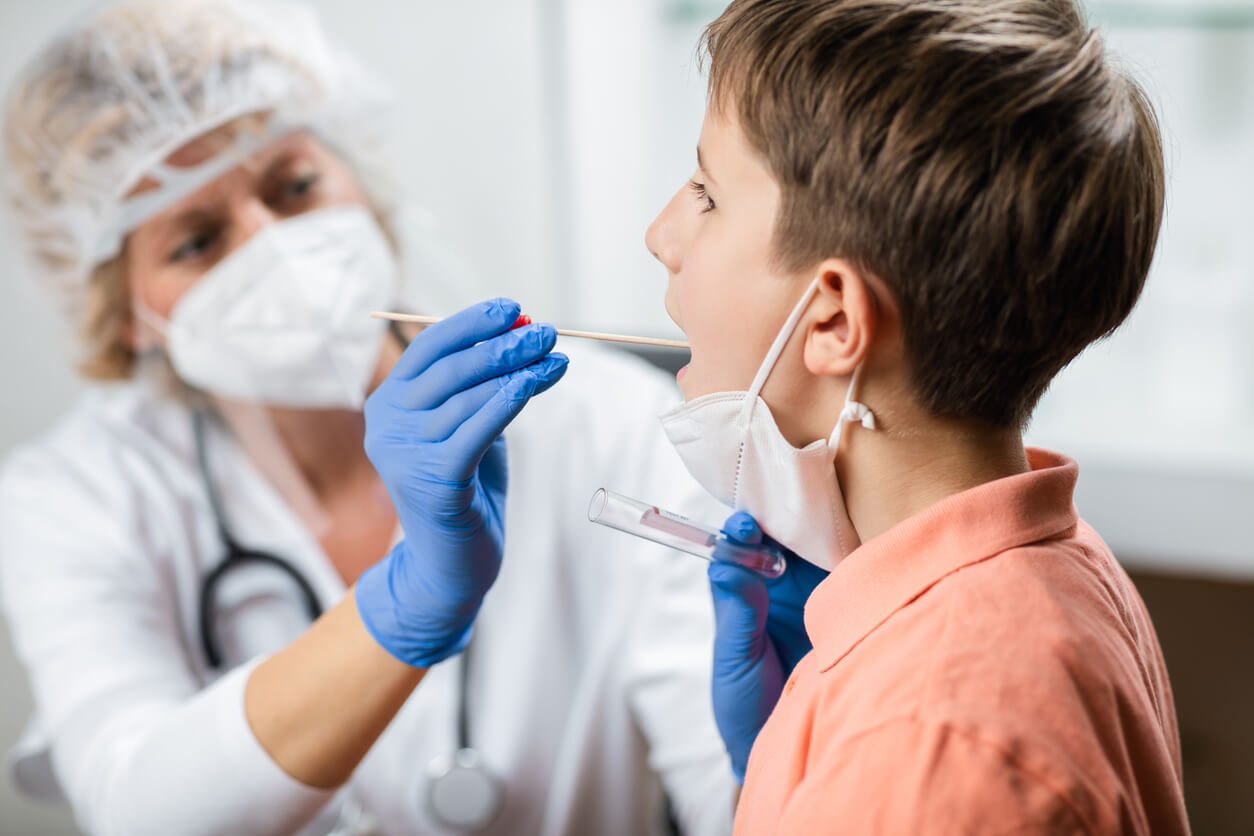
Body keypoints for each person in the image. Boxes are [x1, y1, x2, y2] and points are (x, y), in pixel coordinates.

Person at [0, 2, 736, 834]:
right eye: (196, 241)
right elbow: (137, 810)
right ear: (124, 315)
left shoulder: (606, 421)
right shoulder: (80, 496)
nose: (271, 244)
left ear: (359, 182)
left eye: (294, 187)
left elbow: (733, 798)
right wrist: (404, 604)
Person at [644, 0, 1191, 832]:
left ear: (834, 318)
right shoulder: (1064, 565)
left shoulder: (935, 746)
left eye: (707, 195)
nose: (663, 235)